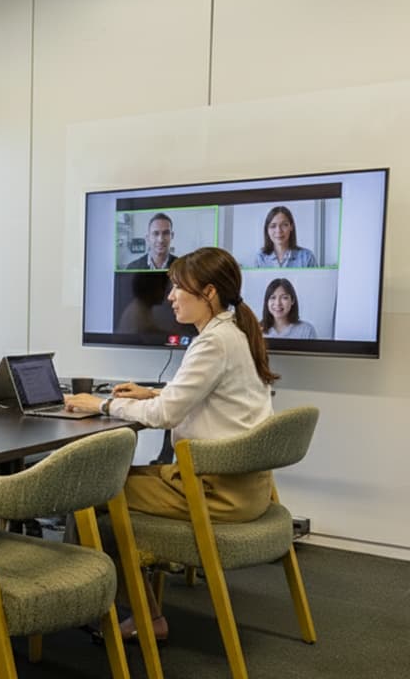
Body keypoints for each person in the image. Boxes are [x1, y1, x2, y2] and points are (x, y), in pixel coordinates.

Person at [64, 247, 278, 641]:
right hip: (248, 489)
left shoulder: (212, 343)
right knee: (110, 486)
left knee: (90, 493)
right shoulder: (237, 332)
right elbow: (208, 395)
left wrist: (104, 403)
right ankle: (116, 607)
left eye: (178, 287)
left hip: (213, 492)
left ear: (209, 292)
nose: (170, 296)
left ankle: (130, 615)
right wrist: (152, 392)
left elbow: (166, 416)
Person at [253, 205, 318, 268]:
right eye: (273, 226)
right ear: (267, 229)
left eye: (284, 225)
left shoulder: (307, 257)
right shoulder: (260, 258)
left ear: (291, 227)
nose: (278, 230)